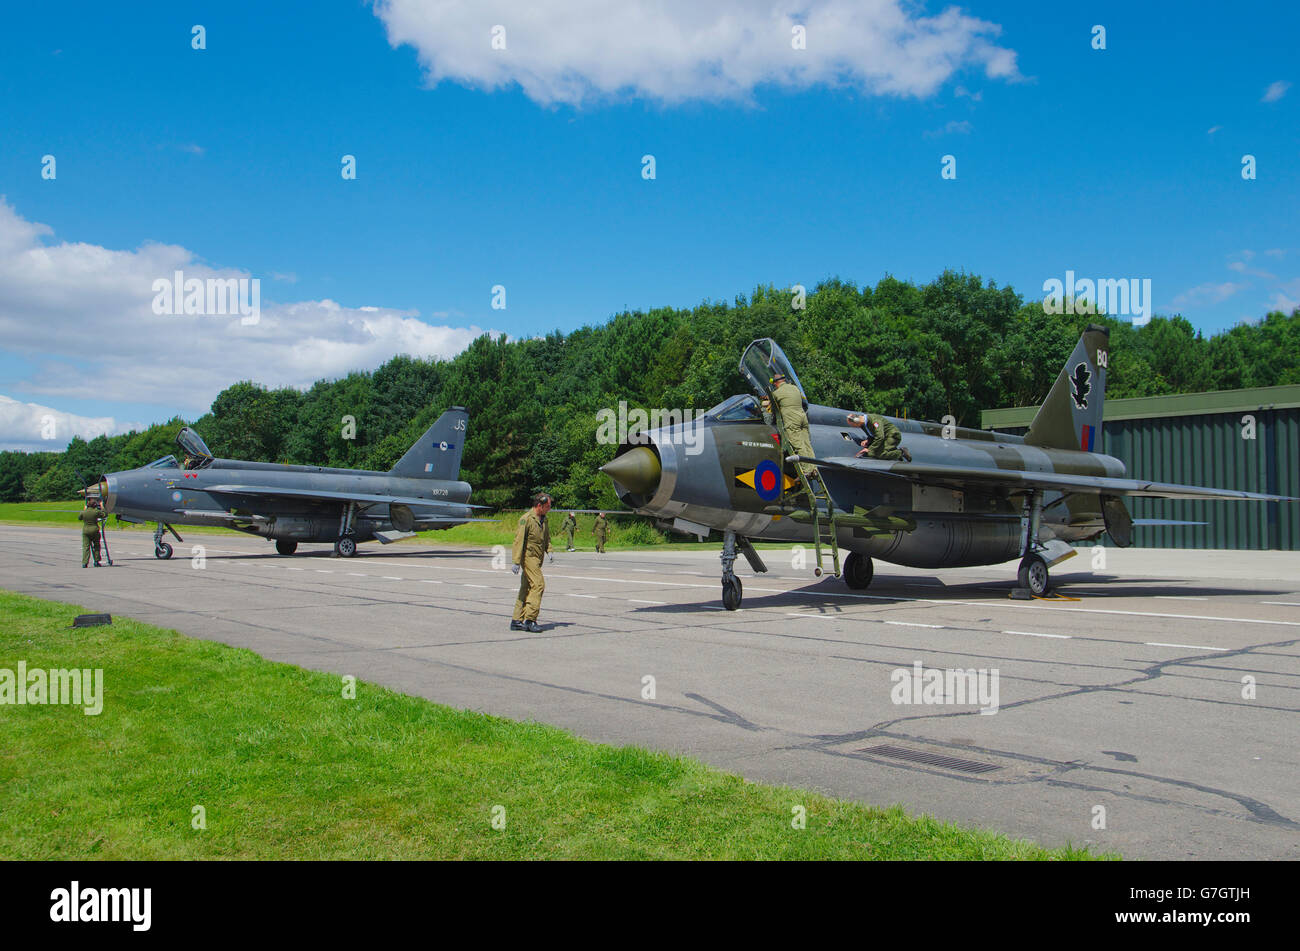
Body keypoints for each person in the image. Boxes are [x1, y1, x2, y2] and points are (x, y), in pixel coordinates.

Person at [511, 493, 553, 632]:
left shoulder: (544, 519)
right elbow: (519, 540)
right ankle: (530, 619)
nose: (549, 509)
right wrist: (516, 561)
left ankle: (516, 620)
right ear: (539, 506)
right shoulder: (526, 519)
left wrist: (549, 550)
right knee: (538, 585)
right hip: (528, 558)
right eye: (547, 506)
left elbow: (546, 537)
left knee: (526, 587)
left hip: (538, 557)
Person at [770, 371, 819, 481]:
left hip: (793, 421)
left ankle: (806, 471)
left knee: (798, 445)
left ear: (776, 383)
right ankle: (814, 469)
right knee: (807, 444)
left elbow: (772, 406)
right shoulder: (795, 388)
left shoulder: (776, 393)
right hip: (803, 418)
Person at [79, 498, 107, 567]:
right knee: (96, 546)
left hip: (86, 530)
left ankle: (85, 563)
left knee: (86, 547)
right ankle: (96, 561)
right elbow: (104, 514)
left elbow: (79, 518)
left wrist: (84, 510)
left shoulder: (83, 512)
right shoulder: (96, 512)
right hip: (94, 530)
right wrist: (102, 507)